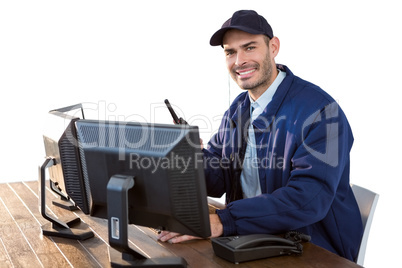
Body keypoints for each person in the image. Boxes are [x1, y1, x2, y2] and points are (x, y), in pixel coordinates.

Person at [158, 10, 363, 262]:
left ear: (273, 47)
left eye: (249, 47)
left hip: (310, 248)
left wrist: (224, 221)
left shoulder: (321, 112)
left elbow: (309, 198)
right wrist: (190, 157)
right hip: (248, 238)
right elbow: (218, 177)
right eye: (230, 52)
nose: (239, 61)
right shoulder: (239, 108)